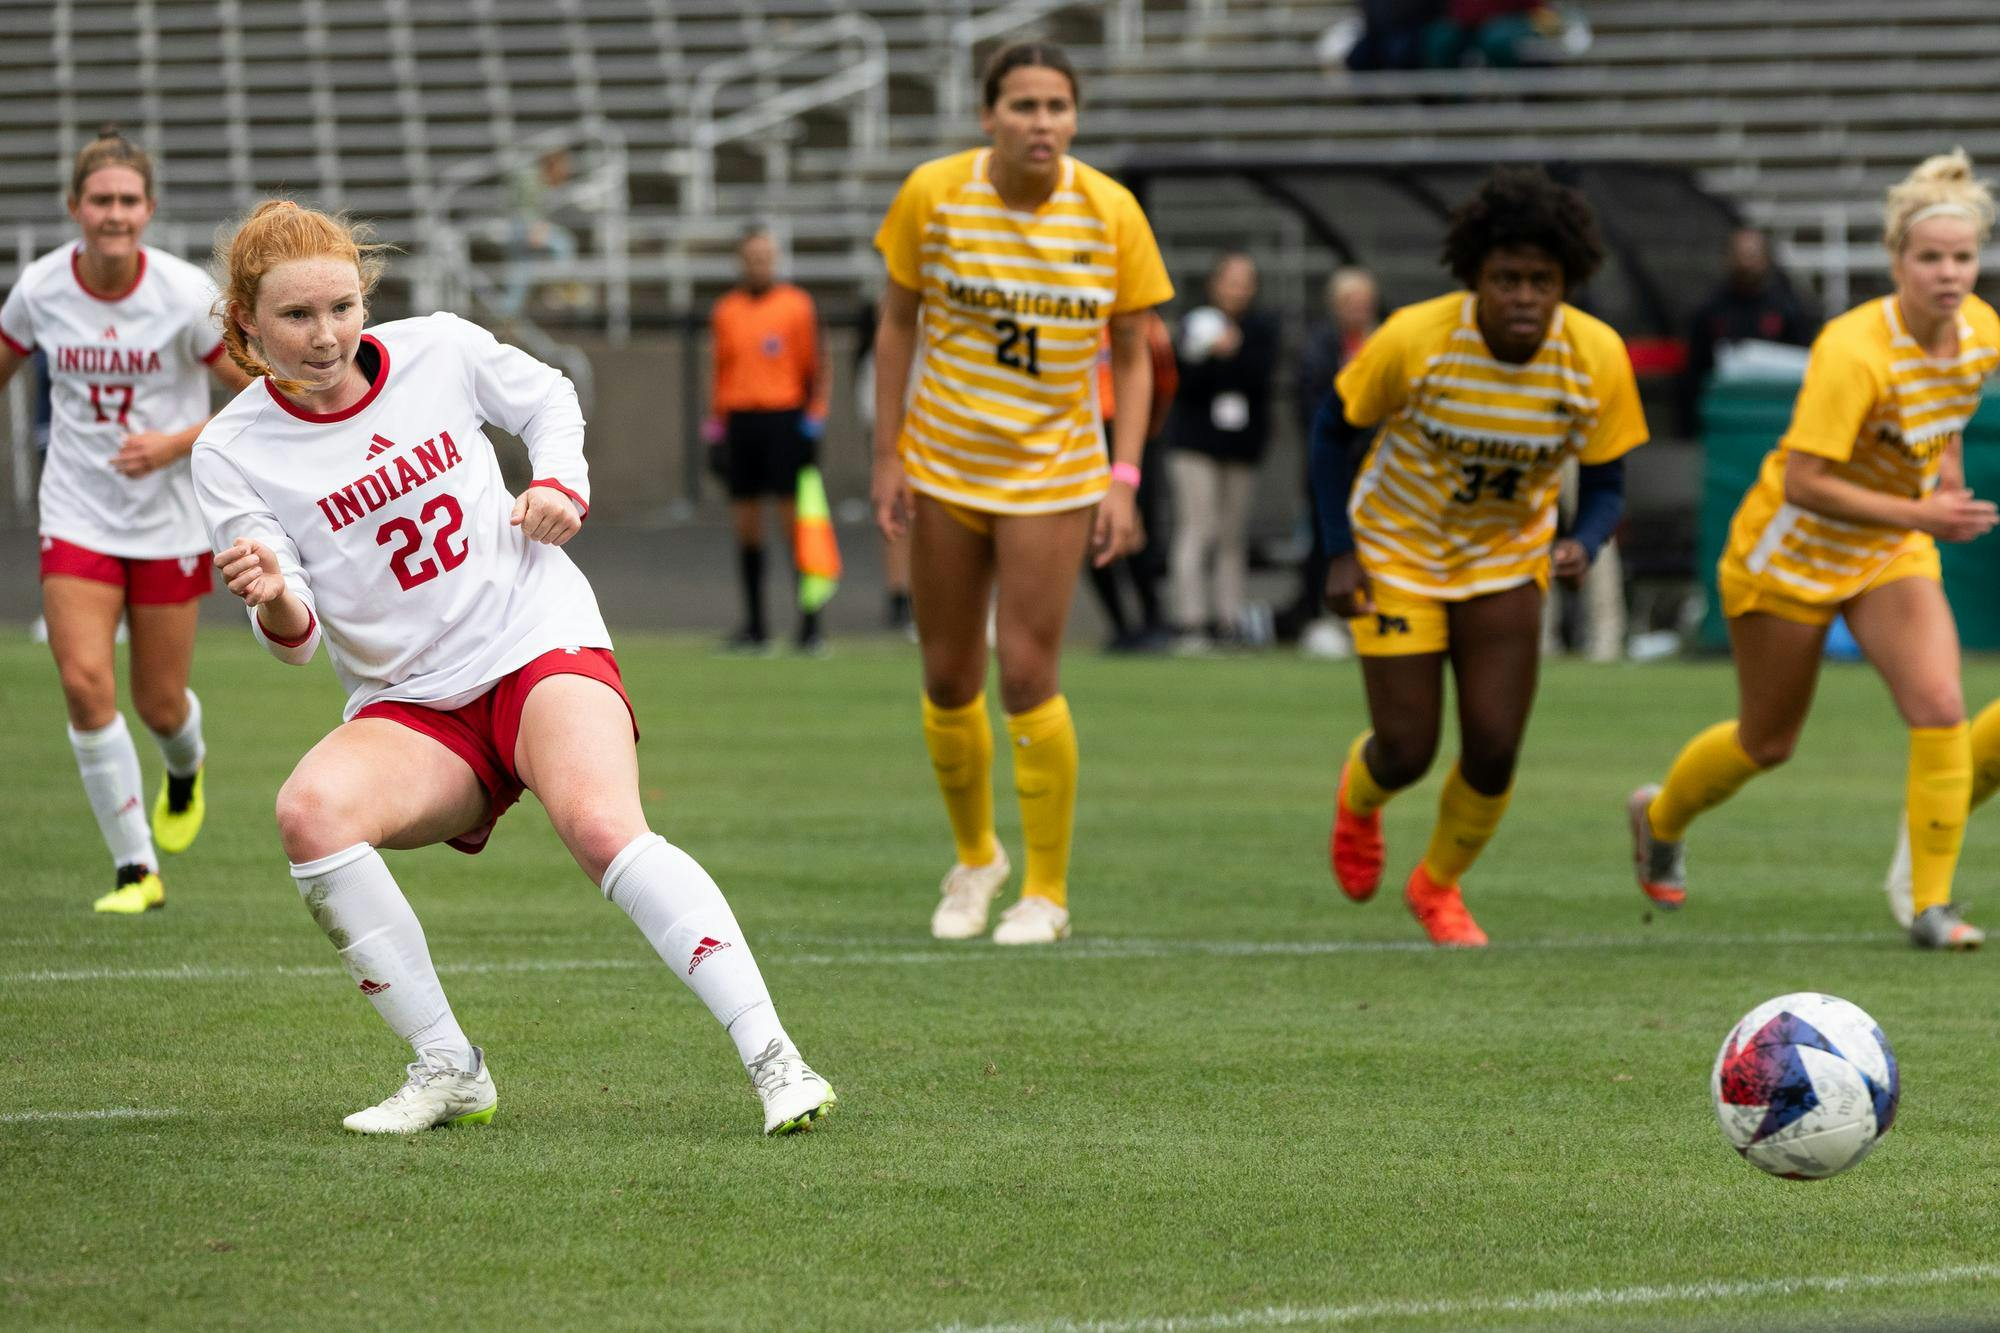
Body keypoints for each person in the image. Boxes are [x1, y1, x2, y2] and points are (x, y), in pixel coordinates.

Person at [190, 200, 836, 1134]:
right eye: (296, 317)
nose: (325, 335)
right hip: (412, 703)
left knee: (602, 826)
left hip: (533, 639)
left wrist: (561, 482)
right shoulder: (231, 450)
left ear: (365, 295)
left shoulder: (441, 347)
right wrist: (273, 598)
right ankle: (449, 1067)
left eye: (341, 306)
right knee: (308, 813)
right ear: (246, 321)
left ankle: (778, 1058)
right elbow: (295, 639)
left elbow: (549, 398)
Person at [1634, 151, 2000, 951]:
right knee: (1767, 741)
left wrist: (1939, 495)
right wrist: (1921, 510)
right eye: (1930, 257)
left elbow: (1941, 428)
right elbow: (1803, 482)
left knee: (1940, 705)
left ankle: (1930, 908)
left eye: (1963, 257)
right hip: (1788, 552)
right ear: (1897, 260)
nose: (1949, 273)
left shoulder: (1980, 334)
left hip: (1888, 548)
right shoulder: (1852, 348)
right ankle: (1660, 816)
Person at [871, 40, 1172, 945]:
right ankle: (976, 860)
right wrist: (887, 455)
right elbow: (894, 323)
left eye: (1057, 107)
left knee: (1029, 674)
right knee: (947, 673)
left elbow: (1134, 350)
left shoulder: (1112, 210)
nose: (1043, 122)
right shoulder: (933, 193)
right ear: (987, 116)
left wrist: (1125, 475)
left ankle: (1046, 891)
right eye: (1024, 105)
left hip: (1055, 475)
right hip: (946, 465)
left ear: (1074, 119)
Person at [1317, 166, 1646, 946]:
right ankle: (1360, 800)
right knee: (1407, 749)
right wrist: (1340, 552)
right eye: (1507, 279)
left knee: (1494, 748)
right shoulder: (1415, 338)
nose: (1525, 296)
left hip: (1504, 559)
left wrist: (1585, 541)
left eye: (1542, 279)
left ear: (1567, 281)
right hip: (1397, 552)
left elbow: (1607, 482)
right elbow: (1334, 433)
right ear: (1476, 278)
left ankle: (1436, 884)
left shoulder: (1596, 357)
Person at [0, 130, 252, 914]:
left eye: (128, 200)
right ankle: (135, 869)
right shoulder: (39, 290)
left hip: (169, 521)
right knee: (82, 683)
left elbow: (257, 394)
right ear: (75, 207)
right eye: (100, 200)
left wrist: (175, 443)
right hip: (76, 512)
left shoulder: (181, 295)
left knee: (160, 704)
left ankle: (185, 765)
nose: (115, 214)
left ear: (148, 208)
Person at [704, 226, 829, 653]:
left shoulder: (797, 306)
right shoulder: (727, 310)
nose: (760, 263)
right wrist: (716, 430)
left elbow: (815, 367)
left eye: (766, 256)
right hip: (741, 422)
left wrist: (814, 420)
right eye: (752, 256)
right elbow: (720, 371)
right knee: (747, 527)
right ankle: (756, 626)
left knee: (795, 525)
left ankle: (810, 626)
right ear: (742, 260)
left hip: (784, 419)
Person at [1167, 251, 1280, 651]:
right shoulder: (1196, 323)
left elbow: (1258, 378)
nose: (1238, 289)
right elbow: (1186, 380)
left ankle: (1228, 619)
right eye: (1231, 281)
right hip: (1195, 444)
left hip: (1239, 447)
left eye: (1245, 282)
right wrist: (1214, 354)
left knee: (1232, 536)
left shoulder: (1262, 328)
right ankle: (1190, 622)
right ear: (1215, 284)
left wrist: (1231, 353)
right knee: (1198, 528)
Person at [1283, 267, 1380, 654]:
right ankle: (1324, 621)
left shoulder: (1384, 342)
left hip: (1374, 465)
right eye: (1350, 303)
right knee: (1325, 541)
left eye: (1364, 303)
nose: (1358, 310)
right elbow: (1314, 413)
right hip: (1333, 462)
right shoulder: (1319, 347)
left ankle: (1374, 614)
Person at [1087, 311, 1177, 652]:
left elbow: (1165, 380)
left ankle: (1152, 620)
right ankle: (1122, 625)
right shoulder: (1073, 314)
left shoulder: (1146, 323)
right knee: (1091, 536)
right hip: (1085, 434)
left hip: (1130, 437)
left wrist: (1147, 436)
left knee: (1138, 529)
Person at [1678, 227, 1817, 437]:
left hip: (1777, 416)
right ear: (1728, 258)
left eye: (1751, 255)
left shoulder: (1789, 307)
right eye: (1739, 255)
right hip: (1727, 419)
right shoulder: (1710, 309)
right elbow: (1694, 370)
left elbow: (1807, 363)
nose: (1745, 263)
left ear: (1765, 259)